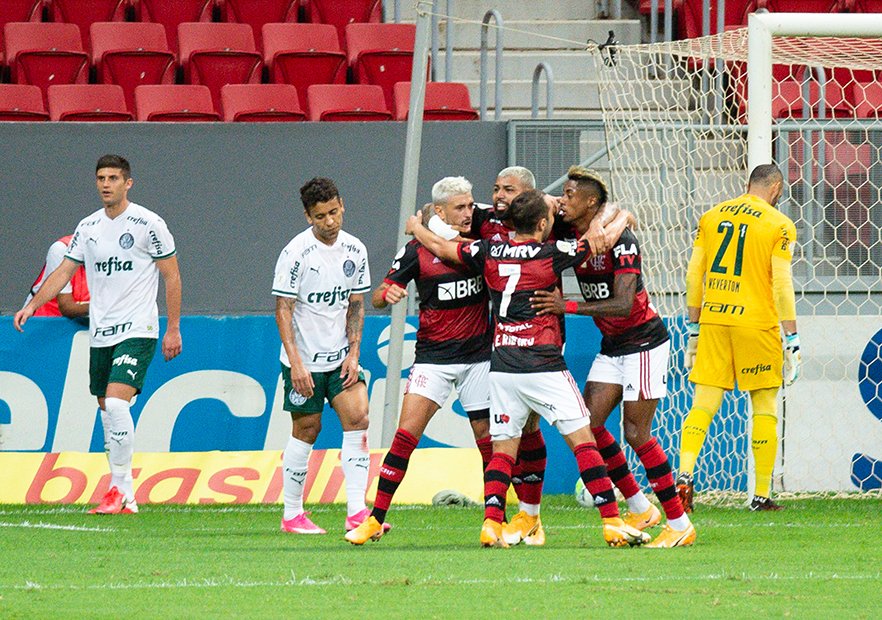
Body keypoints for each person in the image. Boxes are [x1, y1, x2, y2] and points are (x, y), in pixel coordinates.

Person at [408, 189, 650, 548]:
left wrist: (416, 227)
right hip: (542, 362)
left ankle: (491, 524)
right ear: (541, 224)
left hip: (503, 364)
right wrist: (619, 217)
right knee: (583, 441)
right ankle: (612, 521)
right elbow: (599, 242)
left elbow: (443, 248)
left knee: (504, 449)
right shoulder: (552, 254)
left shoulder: (488, 250)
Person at [531, 166, 695, 548]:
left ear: (591, 202)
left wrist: (565, 305)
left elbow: (623, 304)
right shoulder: (573, 232)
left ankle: (679, 521)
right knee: (590, 423)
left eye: (571, 195)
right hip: (613, 345)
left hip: (642, 341)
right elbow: (533, 206)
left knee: (637, 434)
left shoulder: (623, 242)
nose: (564, 200)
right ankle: (640, 506)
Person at [15, 154, 183, 515]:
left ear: (128, 183)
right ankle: (127, 495)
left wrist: (173, 328)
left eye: (113, 178)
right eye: (100, 178)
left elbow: (171, 275)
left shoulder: (148, 223)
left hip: (139, 327)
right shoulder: (88, 227)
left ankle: (117, 489)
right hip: (101, 332)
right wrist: (32, 304)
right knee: (108, 410)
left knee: (118, 403)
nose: (105, 184)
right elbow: (62, 272)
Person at [346, 176, 493, 545]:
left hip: (479, 357)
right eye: (460, 207)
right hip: (433, 359)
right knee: (405, 437)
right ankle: (375, 519)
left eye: (470, 205)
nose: (468, 213)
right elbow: (379, 294)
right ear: (439, 210)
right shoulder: (415, 251)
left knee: (488, 441)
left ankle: (496, 521)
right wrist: (388, 293)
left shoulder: (482, 244)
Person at [677, 164, 801, 512]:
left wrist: (692, 329)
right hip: (756, 323)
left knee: (703, 404)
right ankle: (760, 495)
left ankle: (684, 478)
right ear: (775, 187)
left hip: (715, 320)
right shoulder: (779, 224)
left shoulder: (712, 216)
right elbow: (781, 284)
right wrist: (791, 337)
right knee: (763, 404)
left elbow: (693, 274)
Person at [273, 177, 374, 534]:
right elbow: (283, 309)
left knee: (358, 417)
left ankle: (358, 511)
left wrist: (354, 353)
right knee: (307, 428)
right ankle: (292, 514)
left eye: (334, 212)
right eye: (320, 216)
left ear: (342, 204)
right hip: (305, 361)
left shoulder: (355, 250)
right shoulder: (296, 254)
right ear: (308, 217)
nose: (330, 221)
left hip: (340, 357)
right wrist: (296, 363)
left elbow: (356, 305)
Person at [24, 234, 90, 319]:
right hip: (45, 321)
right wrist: (106, 308)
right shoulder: (61, 249)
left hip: (87, 322)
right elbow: (66, 308)